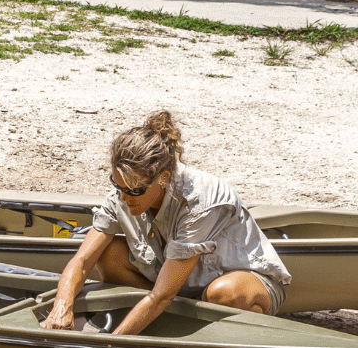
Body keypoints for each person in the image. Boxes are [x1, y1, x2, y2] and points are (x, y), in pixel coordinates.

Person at [41, 111, 289, 335]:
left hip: (243, 284)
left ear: (163, 178)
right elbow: (83, 260)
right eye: (117, 185)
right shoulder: (125, 191)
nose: (124, 198)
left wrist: (113, 345)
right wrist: (61, 306)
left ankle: (242, 335)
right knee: (108, 255)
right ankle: (160, 322)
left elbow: (162, 296)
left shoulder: (200, 201)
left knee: (222, 294)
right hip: (175, 289)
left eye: (134, 191)